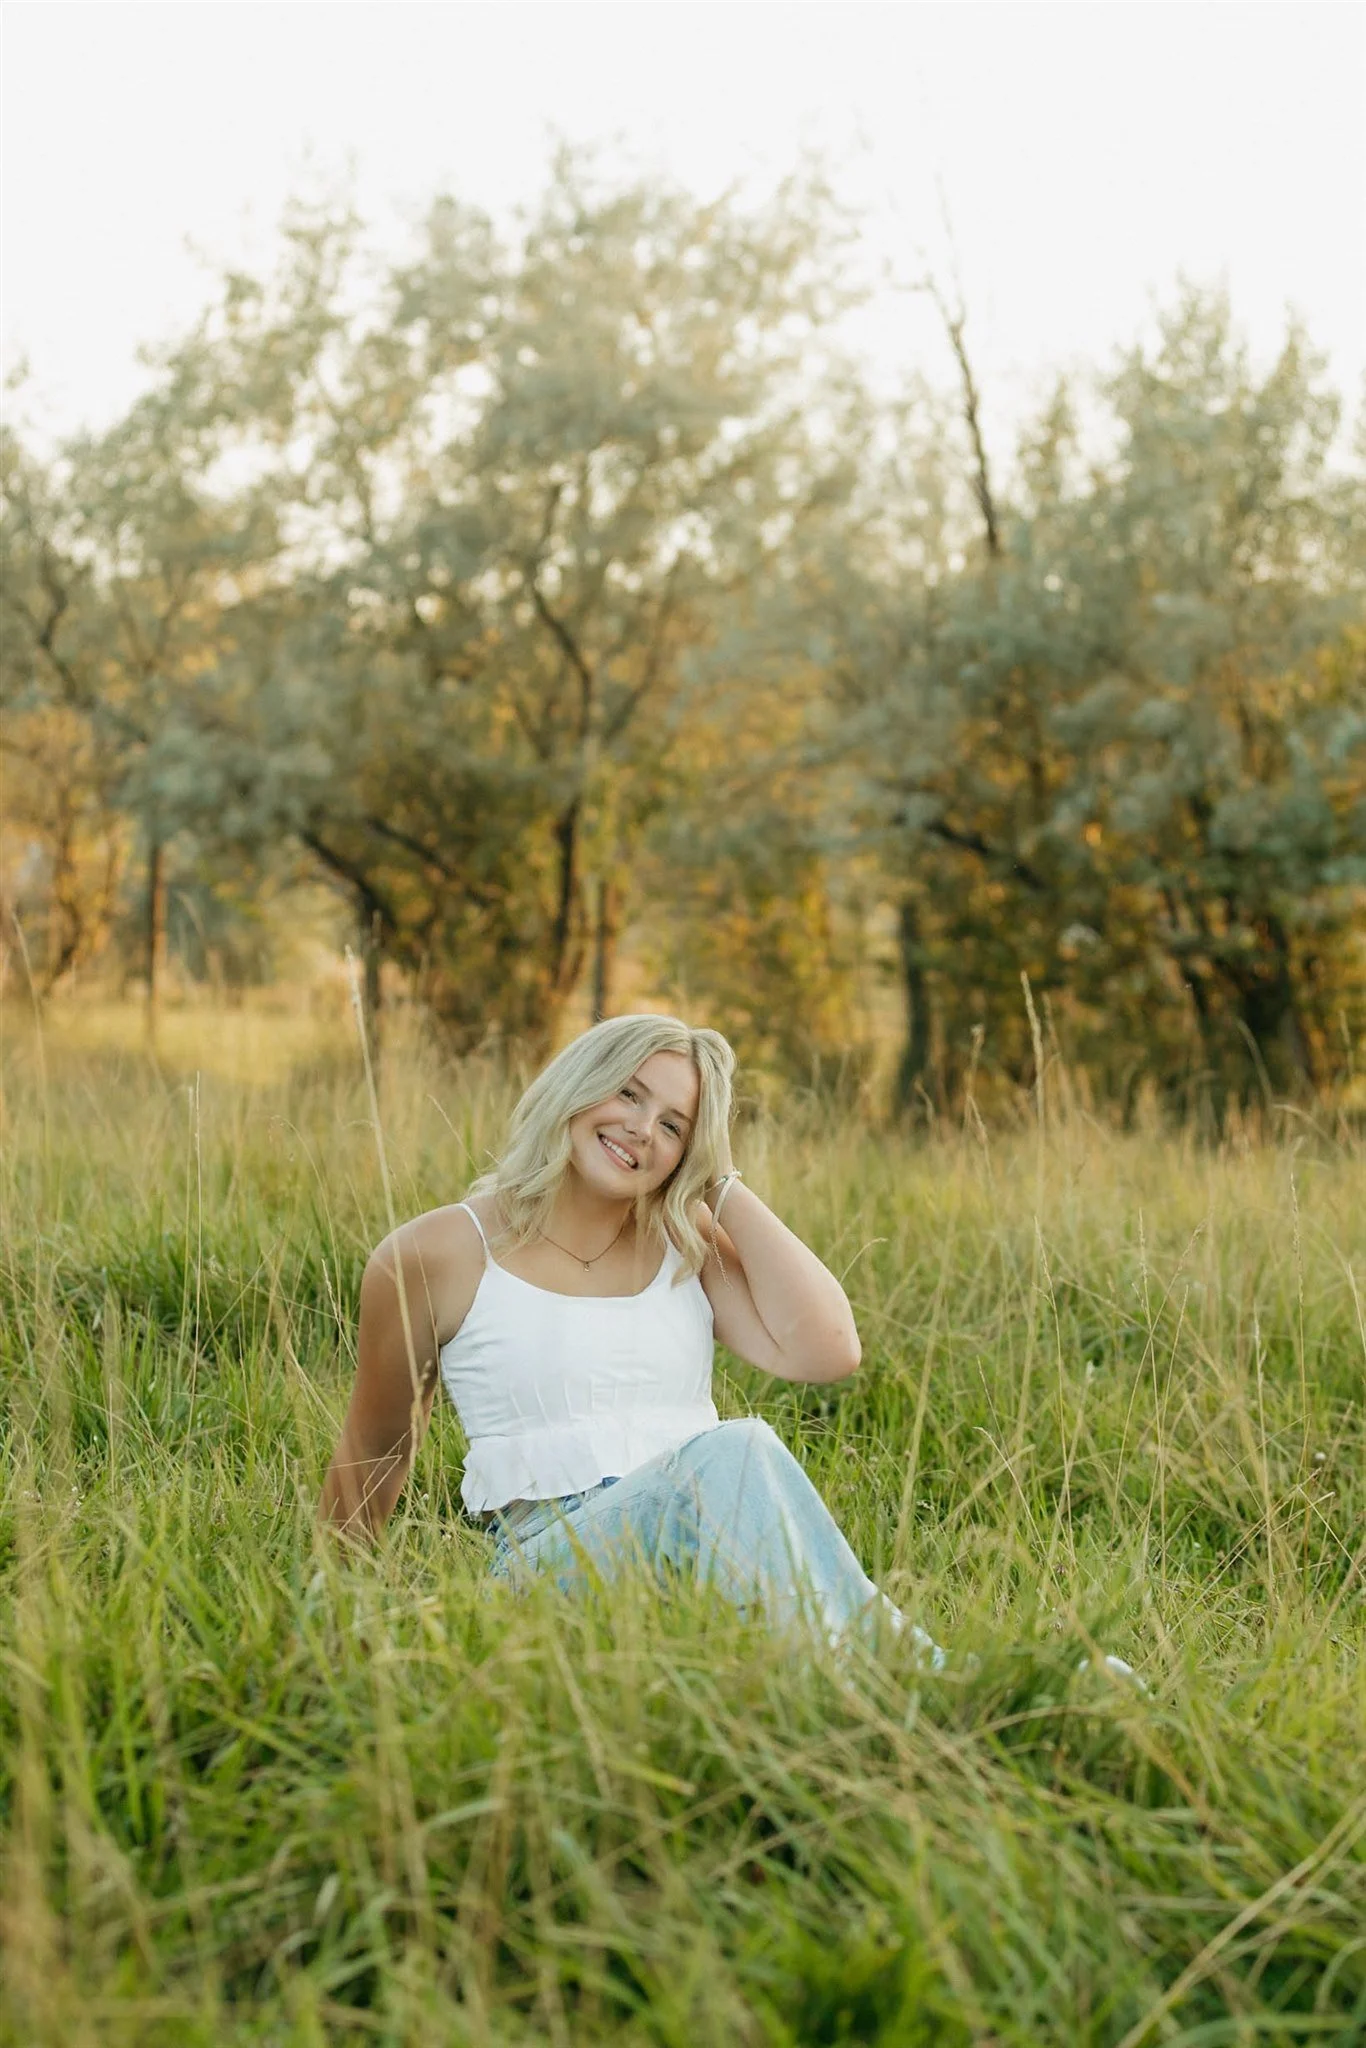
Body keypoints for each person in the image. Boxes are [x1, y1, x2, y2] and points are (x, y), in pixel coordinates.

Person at [318, 1011, 947, 1670]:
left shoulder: (684, 1242)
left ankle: (911, 1676)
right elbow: (375, 1449)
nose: (643, 1129)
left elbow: (829, 1350)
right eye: (628, 1093)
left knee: (735, 1465)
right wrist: (335, 1611)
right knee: (739, 1450)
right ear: (579, 1083)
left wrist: (720, 1185)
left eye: (675, 1126)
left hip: (699, 1544)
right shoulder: (438, 1251)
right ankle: (903, 1681)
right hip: (545, 1566)